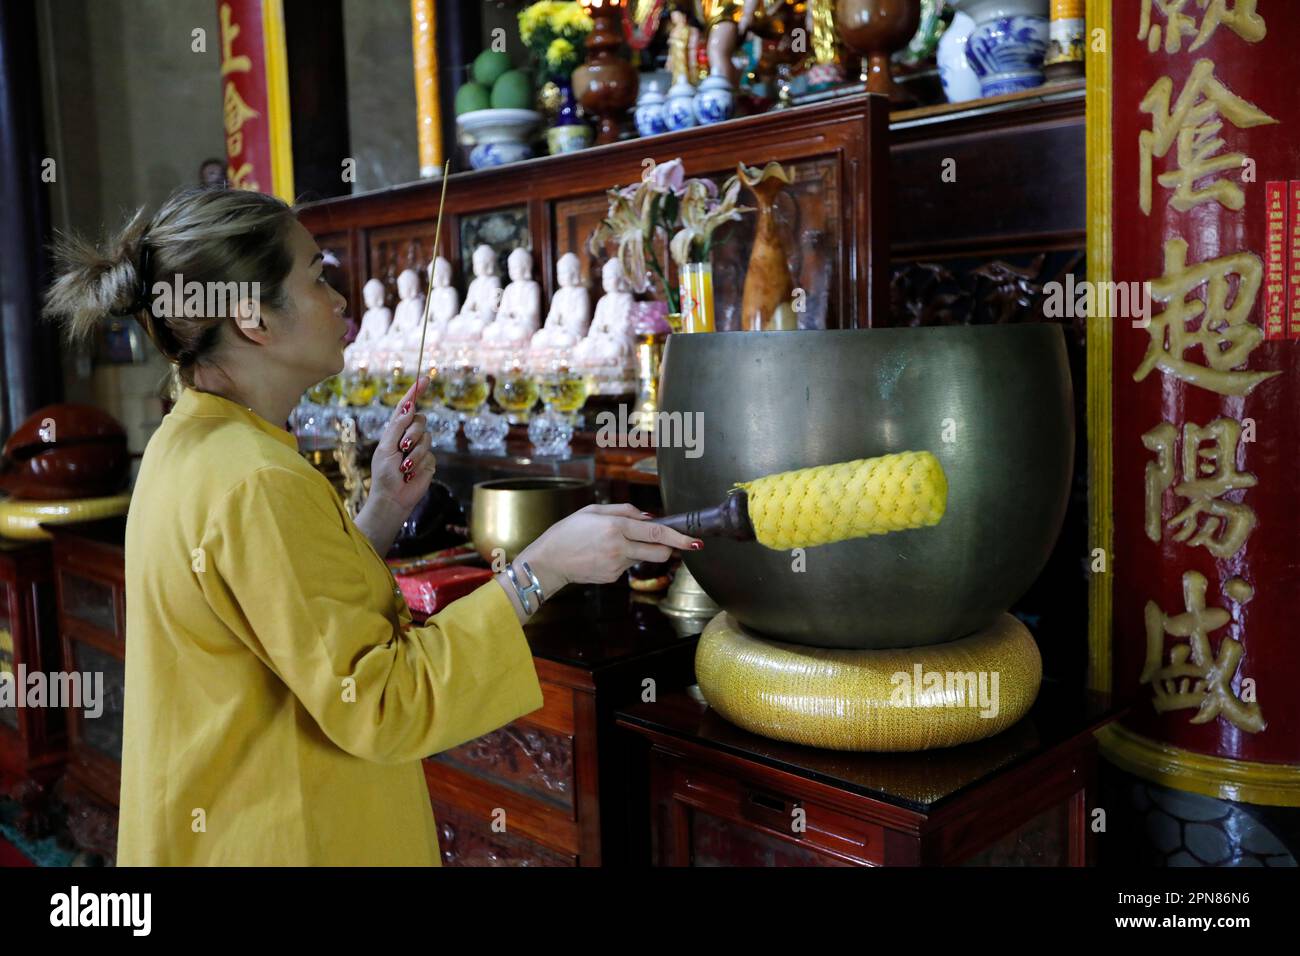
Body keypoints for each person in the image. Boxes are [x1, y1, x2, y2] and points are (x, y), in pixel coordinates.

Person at [41, 185, 702, 865]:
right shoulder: (258, 480)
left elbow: (285, 614)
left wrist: (383, 509)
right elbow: (384, 700)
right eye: (316, 275)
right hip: (282, 834)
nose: (340, 299)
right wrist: (544, 569)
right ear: (252, 321)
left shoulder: (187, 443)